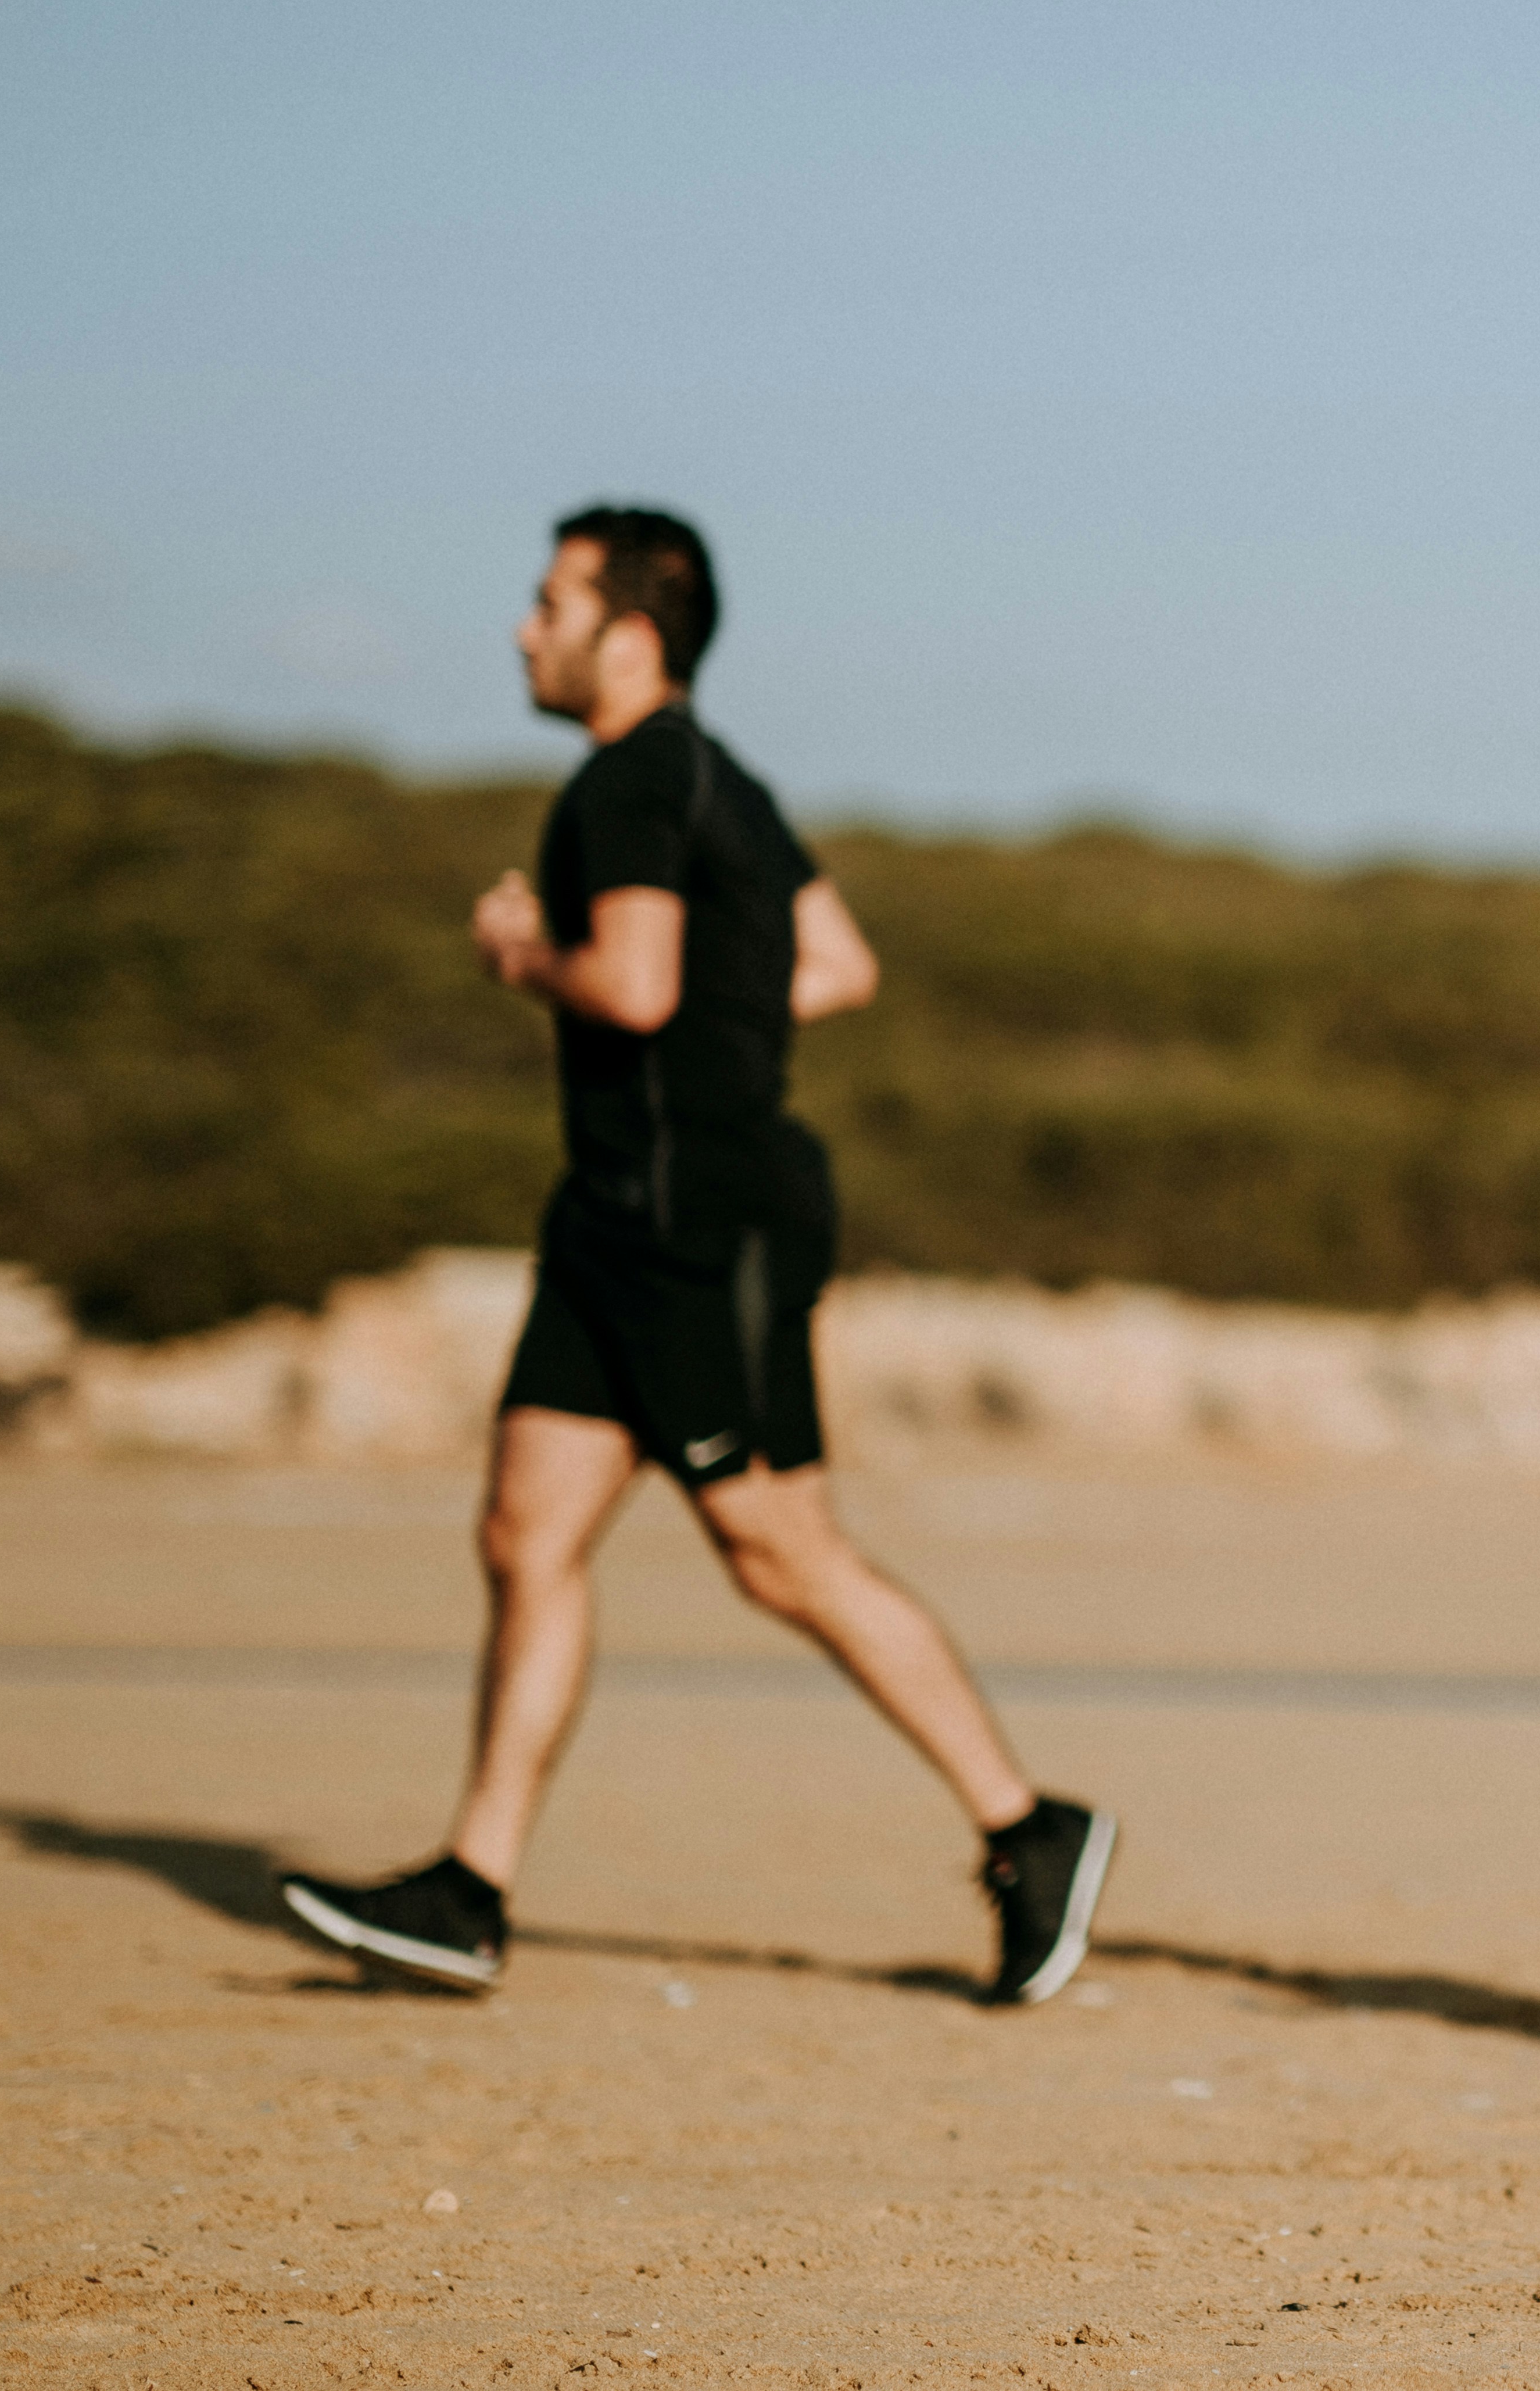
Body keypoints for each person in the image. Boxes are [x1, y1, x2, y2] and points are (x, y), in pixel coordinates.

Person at [279, 506, 1115, 2007]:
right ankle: (470, 1891)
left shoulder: (633, 782)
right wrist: (719, 1003)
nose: (523, 630)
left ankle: (1027, 1826)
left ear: (630, 635)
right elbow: (836, 964)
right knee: (526, 1532)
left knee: (780, 1555)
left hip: (697, 1228)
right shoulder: (721, 781)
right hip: (612, 1218)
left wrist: (524, 957)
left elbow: (638, 987)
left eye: (549, 605)